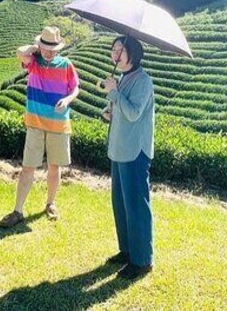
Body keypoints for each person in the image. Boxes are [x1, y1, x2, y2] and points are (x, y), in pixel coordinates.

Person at [0, 26, 80, 227]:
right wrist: (37, 48)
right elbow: (20, 52)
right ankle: (18, 211)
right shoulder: (34, 63)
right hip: (35, 123)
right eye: (46, 48)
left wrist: (67, 100)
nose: (49, 52)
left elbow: (75, 88)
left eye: (53, 48)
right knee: (28, 167)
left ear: (59, 48)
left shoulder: (66, 64)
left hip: (58, 123)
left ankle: (50, 204)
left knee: (54, 167)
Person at [101, 35, 155, 280]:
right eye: (113, 50)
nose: (115, 55)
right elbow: (123, 111)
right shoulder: (123, 78)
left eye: (120, 50)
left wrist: (113, 93)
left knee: (136, 207)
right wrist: (110, 112)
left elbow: (133, 113)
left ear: (133, 53)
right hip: (119, 149)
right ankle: (127, 251)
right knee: (121, 205)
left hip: (135, 152)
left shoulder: (143, 81)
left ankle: (142, 260)